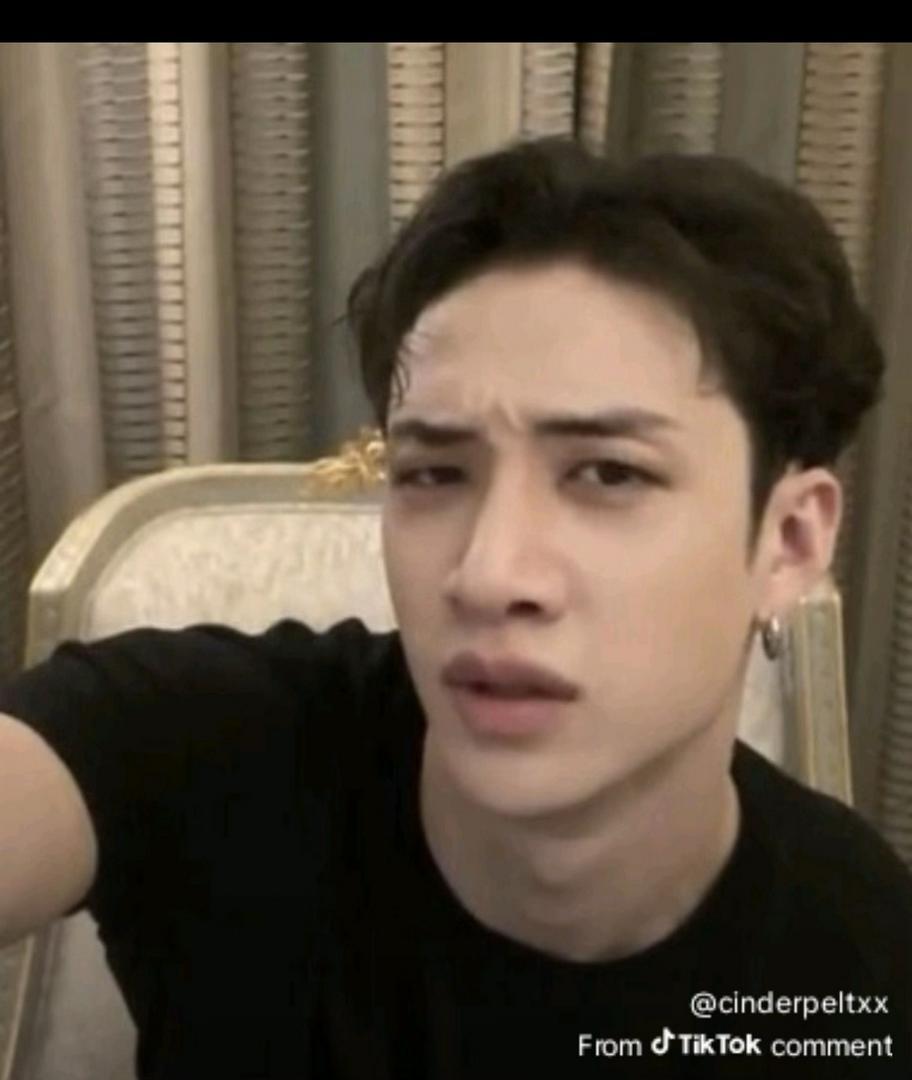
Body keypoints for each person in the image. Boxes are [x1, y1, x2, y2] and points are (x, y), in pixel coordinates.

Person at [0, 136, 910, 1079]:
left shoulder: (854, 969)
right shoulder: (211, 749)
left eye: (610, 473)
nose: (486, 573)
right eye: (433, 473)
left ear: (788, 542)